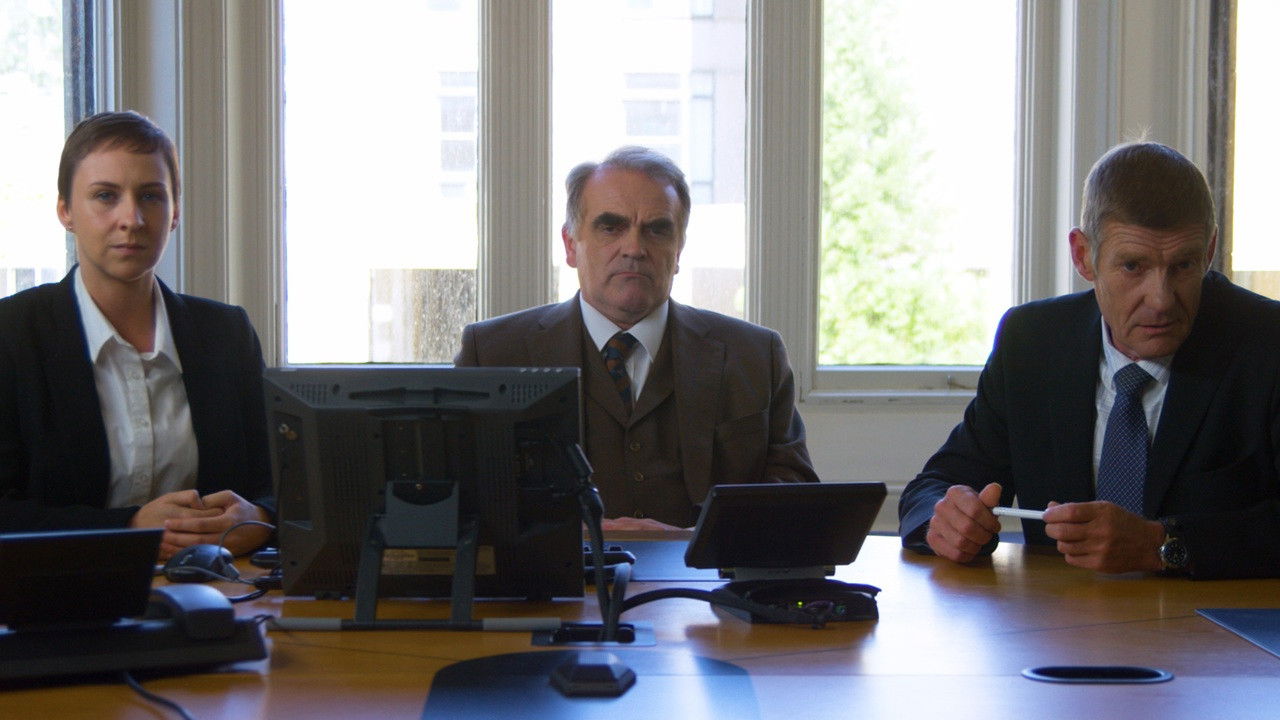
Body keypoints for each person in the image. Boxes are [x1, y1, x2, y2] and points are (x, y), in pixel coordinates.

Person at [898, 141, 1280, 579]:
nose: (1161, 300)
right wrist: (946, 520)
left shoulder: (1268, 344)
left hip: (1215, 619)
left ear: (1209, 252)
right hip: (1058, 617)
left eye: (1183, 265)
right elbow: (933, 488)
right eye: (1133, 266)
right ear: (1084, 256)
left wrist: (1162, 545)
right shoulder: (1032, 342)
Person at [456, 146, 818, 531]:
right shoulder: (492, 353)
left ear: (679, 249)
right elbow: (460, 500)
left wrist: (693, 540)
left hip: (700, 569)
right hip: (554, 571)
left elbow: (794, 498)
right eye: (611, 227)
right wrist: (556, 539)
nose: (634, 249)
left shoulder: (755, 356)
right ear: (570, 245)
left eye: (657, 229)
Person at [0, 110, 274, 559]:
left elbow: (283, 484)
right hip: (60, 590)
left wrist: (260, 518)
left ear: (175, 212)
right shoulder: (11, 333)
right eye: (105, 196)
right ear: (65, 211)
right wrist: (127, 528)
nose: (132, 218)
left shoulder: (227, 334)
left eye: (151, 196)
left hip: (217, 587)